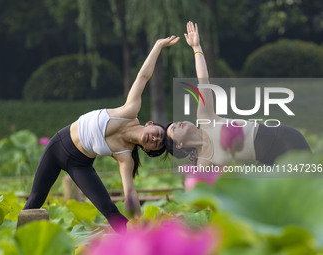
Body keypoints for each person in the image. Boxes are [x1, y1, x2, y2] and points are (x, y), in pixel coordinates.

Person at [23, 35, 180, 234]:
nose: (155, 138)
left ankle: (138, 241)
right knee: (35, 200)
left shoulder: (125, 156)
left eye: (157, 144)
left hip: (80, 164)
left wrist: (138, 220)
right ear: (150, 124)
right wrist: (158, 46)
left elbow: (130, 193)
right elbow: (143, 76)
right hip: (57, 147)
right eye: (157, 133)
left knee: (109, 209)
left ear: (148, 150)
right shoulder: (130, 111)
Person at [164, 21, 310, 168]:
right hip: (269, 160)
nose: (177, 123)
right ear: (179, 145)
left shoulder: (205, 118)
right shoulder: (204, 162)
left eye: (175, 123)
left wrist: (196, 47)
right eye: (174, 129)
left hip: (285, 138)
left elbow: (203, 80)